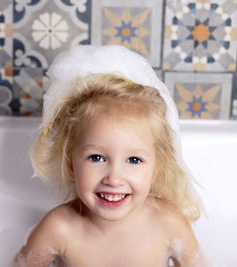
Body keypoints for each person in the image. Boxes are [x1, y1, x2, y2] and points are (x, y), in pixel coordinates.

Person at [14, 45, 205, 266]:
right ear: (71, 165)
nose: (114, 179)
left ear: (156, 168)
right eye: (96, 158)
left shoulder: (168, 224)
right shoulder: (59, 228)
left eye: (134, 160)